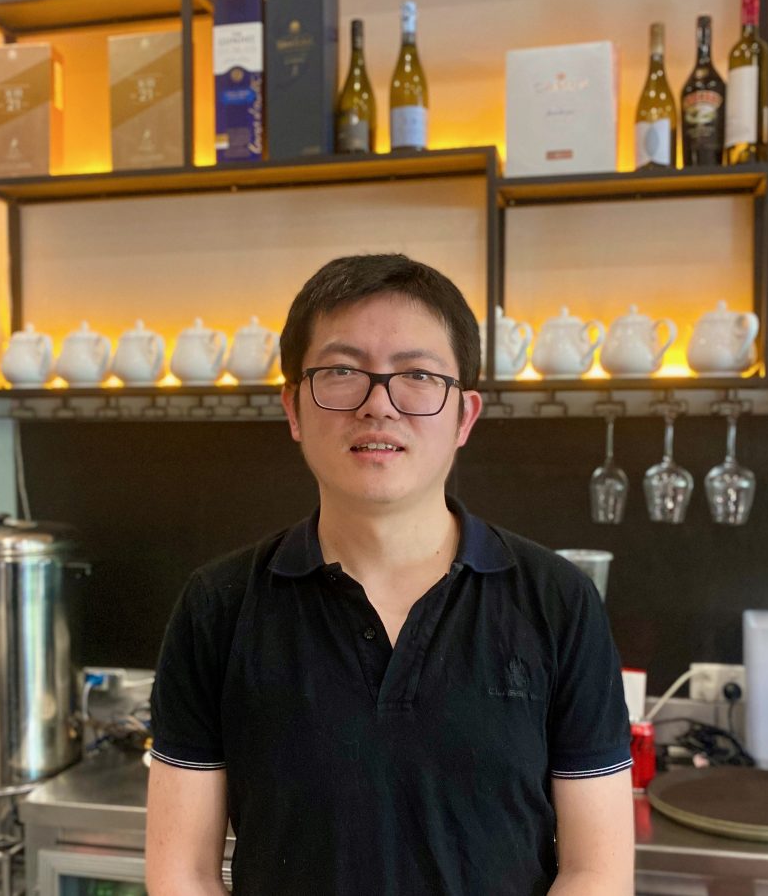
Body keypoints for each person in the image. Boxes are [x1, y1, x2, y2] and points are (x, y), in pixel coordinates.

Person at [146, 254, 633, 895]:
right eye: (343, 371)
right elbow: (183, 872)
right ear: (293, 407)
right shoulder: (218, 606)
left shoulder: (558, 601)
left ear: (465, 416)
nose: (379, 405)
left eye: (419, 375)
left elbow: (596, 871)